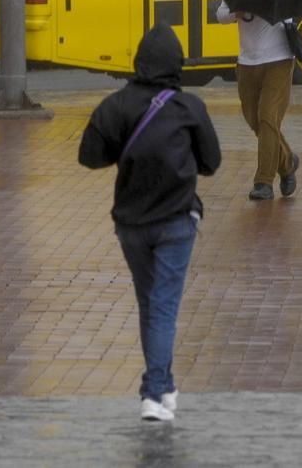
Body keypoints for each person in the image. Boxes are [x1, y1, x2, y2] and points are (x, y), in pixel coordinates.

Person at [78, 22, 221, 421]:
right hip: (177, 221)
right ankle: (154, 393)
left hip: (131, 226)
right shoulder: (189, 107)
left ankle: (167, 384)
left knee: (151, 302)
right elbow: (212, 163)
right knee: (163, 305)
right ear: (177, 65)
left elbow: (89, 156)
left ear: (139, 62)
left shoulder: (116, 106)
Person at [216, 0, 299, 201]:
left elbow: (290, 14)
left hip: (278, 59)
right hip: (247, 63)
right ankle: (286, 162)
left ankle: (264, 182)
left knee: (267, 116)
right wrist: (238, 10)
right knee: (254, 119)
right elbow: (221, 15)